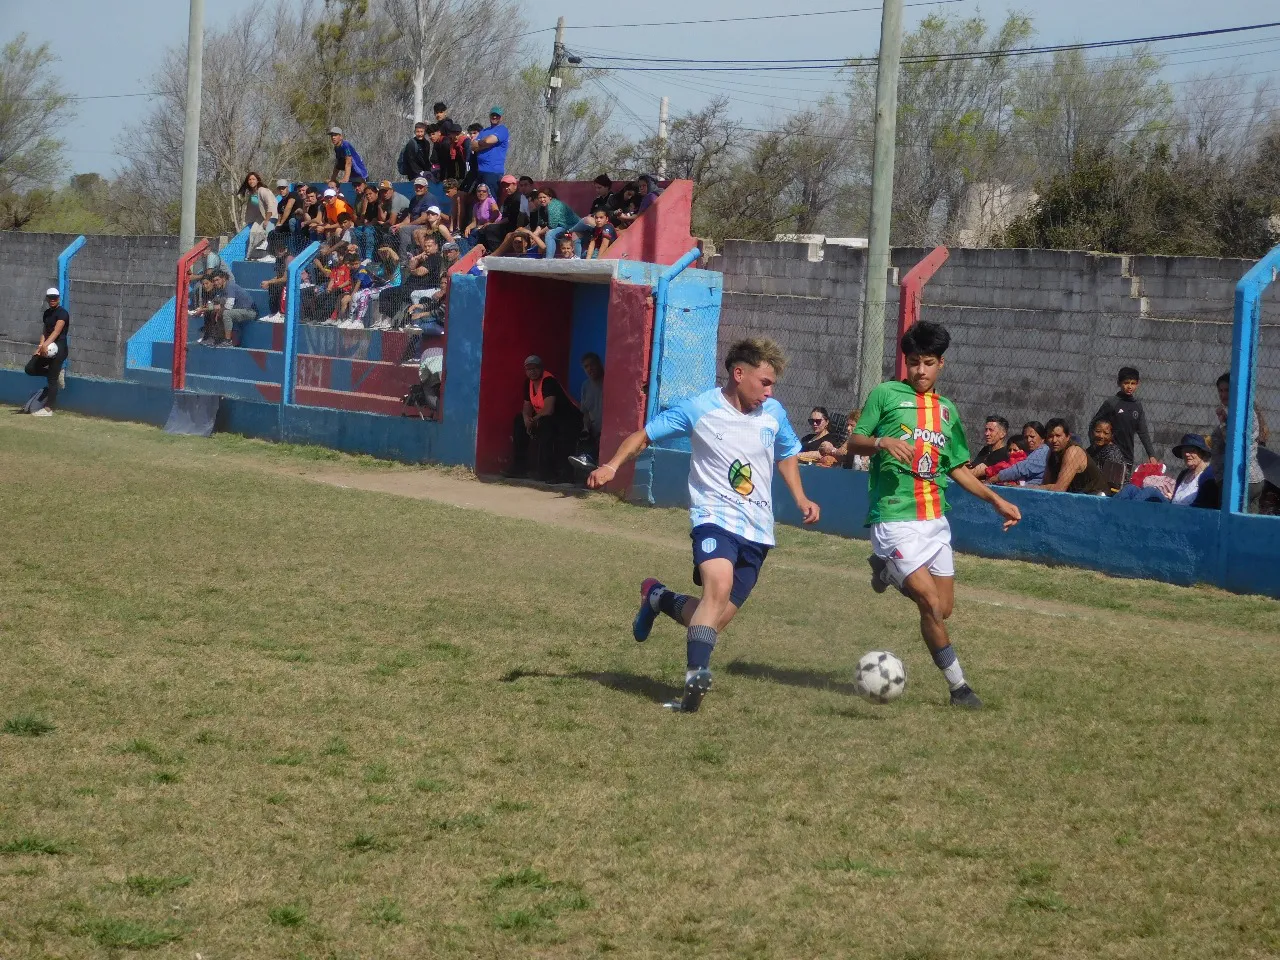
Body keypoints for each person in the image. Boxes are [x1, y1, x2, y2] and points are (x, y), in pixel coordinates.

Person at [586, 338, 820, 713]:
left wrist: (801, 498)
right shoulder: (699, 408)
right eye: (764, 381)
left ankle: (657, 597)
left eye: (772, 384)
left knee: (711, 618)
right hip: (714, 519)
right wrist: (612, 466)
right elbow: (644, 435)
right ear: (738, 373)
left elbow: (788, 452)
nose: (769, 391)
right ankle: (693, 688)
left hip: (757, 530)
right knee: (718, 586)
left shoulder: (773, 413)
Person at [846, 321, 1021, 709]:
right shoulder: (886, 394)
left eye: (927, 363)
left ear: (941, 364)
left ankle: (885, 570)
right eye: (913, 363)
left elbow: (956, 467)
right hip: (894, 516)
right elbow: (853, 443)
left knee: (943, 609)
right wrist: (881, 441)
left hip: (935, 520)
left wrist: (995, 500)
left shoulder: (947, 411)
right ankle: (959, 689)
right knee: (927, 602)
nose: (920, 371)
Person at [508, 355, 583, 484]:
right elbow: (526, 407)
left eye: (535, 368)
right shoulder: (528, 383)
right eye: (529, 369)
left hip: (567, 419)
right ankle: (519, 467)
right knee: (519, 420)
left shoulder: (549, 381)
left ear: (541, 368)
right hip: (546, 417)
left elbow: (548, 410)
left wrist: (533, 420)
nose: (532, 371)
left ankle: (547, 471)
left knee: (545, 426)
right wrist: (526, 419)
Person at [1210, 371, 1266, 511]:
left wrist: (1223, 422)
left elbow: (1234, 445)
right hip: (1246, 479)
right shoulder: (1237, 411)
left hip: (1239, 480)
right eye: (1220, 391)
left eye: (1227, 390)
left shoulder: (1241, 413)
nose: (1223, 394)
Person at [1091, 366, 1158, 470]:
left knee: (1123, 483)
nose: (1129, 387)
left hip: (1127, 455)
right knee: (1107, 483)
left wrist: (1151, 455)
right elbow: (1094, 424)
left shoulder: (1137, 406)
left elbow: (1143, 432)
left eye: (1133, 383)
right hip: (1109, 453)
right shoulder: (1112, 403)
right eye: (1126, 383)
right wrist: (1096, 445)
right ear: (1119, 383)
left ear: (1137, 384)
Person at [25, 288, 69, 415]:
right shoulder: (46, 313)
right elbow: (45, 331)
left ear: (59, 298)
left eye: (55, 297)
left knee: (52, 380)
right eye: (50, 297)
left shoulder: (63, 313)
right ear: (47, 299)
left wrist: (45, 345)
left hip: (59, 348)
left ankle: (49, 408)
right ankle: (55, 373)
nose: (53, 299)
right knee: (30, 368)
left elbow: (56, 331)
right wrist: (40, 347)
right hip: (46, 346)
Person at [1041, 418, 1108, 494]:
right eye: (1050, 436)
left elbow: (1059, 488)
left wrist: (1031, 487)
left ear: (1067, 437)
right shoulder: (1051, 452)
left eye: (1058, 436)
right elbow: (1045, 483)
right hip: (1076, 497)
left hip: (1097, 498)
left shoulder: (1073, 451)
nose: (1054, 440)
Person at [209, 270, 257, 345]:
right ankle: (217, 338)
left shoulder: (230, 286)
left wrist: (219, 312)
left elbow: (229, 306)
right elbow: (214, 303)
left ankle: (228, 341)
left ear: (224, 278)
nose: (215, 283)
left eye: (217, 280)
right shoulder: (221, 290)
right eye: (214, 281)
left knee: (226, 313)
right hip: (238, 311)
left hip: (250, 312)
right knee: (214, 313)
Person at [239, 172, 278, 261]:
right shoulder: (252, 193)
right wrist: (249, 220)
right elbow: (253, 208)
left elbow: (271, 205)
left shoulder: (263, 190)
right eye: (249, 179)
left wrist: (267, 220)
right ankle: (251, 255)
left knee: (265, 233)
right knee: (253, 233)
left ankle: (270, 255)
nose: (251, 181)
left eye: (253, 179)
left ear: (258, 180)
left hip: (271, 216)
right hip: (261, 217)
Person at [472, 106, 510, 195]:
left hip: (493, 172)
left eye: (497, 116)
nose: (494, 117)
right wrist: (486, 144)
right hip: (480, 171)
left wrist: (482, 143)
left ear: (501, 117)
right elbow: (473, 146)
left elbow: (488, 140)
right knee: (479, 200)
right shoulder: (484, 131)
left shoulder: (502, 129)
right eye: (493, 115)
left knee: (490, 199)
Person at [576, 351, 605, 466]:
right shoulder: (585, 386)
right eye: (586, 366)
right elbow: (586, 412)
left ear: (599, 364)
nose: (589, 369)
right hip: (593, 430)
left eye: (592, 365)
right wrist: (585, 428)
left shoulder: (610, 381)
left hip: (608, 430)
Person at [1085, 417, 1127, 492]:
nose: (1101, 436)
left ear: (1112, 435)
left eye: (1106, 433)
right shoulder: (1092, 449)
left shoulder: (1112, 452)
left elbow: (1113, 484)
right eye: (1098, 431)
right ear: (1092, 432)